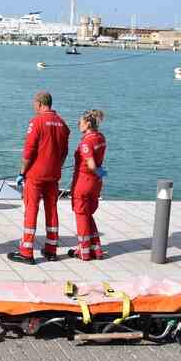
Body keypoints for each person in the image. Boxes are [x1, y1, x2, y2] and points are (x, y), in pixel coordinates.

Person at [9, 91, 70, 265]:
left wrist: (22, 172)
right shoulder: (62, 124)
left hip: (36, 174)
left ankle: (26, 251)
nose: (33, 106)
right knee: (52, 209)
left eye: (34, 103)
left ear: (40, 103)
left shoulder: (36, 122)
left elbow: (29, 151)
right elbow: (64, 152)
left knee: (31, 209)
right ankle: (51, 249)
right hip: (54, 174)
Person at [69, 109, 107, 260]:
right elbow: (97, 164)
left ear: (88, 123)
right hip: (96, 182)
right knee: (88, 214)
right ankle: (95, 248)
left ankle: (83, 251)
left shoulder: (87, 141)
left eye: (81, 122)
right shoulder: (101, 138)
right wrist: (102, 175)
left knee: (81, 215)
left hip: (83, 181)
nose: (78, 124)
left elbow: (91, 164)